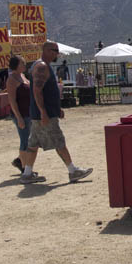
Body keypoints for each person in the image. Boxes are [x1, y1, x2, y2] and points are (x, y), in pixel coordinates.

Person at [26, 41, 92, 183]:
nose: (57, 53)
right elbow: (37, 91)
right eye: (55, 50)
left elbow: (47, 91)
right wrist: (43, 111)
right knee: (59, 141)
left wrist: (57, 108)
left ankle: (27, 173)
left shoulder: (42, 66)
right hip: (45, 114)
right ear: (48, 51)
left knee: (33, 143)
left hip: (44, 112)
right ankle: (73, 171)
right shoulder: (42, 67)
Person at [5, 55, 45, 184]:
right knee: (25, 140)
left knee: (31, 139)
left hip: (29, 113)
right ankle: (24, 168)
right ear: (16, 65)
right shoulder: (11, 79)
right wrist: (19, 117)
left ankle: (21, 162)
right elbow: (12, 100)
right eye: (22, 63)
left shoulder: (22, 76)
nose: (24, 65)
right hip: (21, 114)